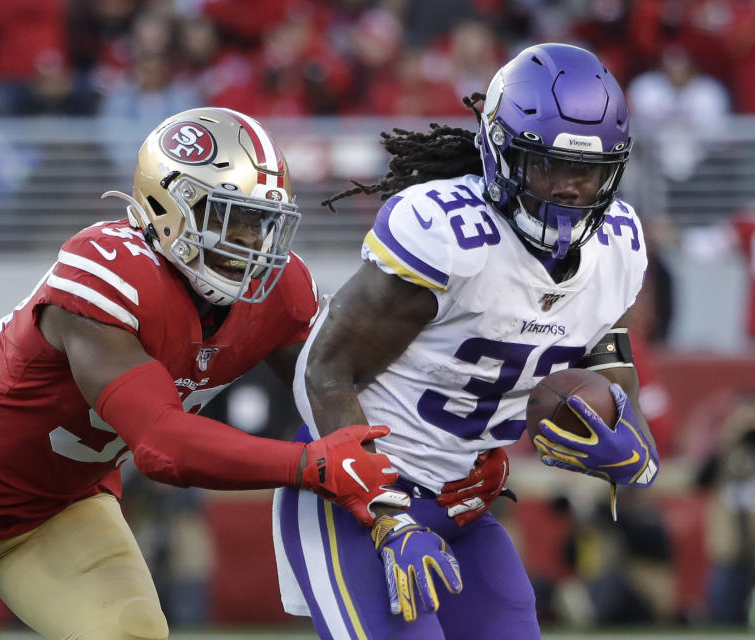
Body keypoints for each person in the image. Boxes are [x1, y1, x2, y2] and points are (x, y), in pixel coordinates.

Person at [0, 107, 411, 639]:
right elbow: (161, 443)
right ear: (165, 208)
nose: (252, 242)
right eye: (231, 219)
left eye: (262, 222)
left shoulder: (277, 292)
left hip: (61, 504)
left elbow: (333, 387)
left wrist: (448, 455)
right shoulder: (108, 270)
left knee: (129, 632)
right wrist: (308, 465)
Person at [273, 43, 660, 639]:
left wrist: (628, 438)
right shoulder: (452, 236)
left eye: (585, 171)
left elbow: (605, 360)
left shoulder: (618, 245)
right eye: (546, 165)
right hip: (358, 498)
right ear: (499, 152)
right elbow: (322, 371)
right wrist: (387, 518)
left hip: (466, 500)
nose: (568, 190)